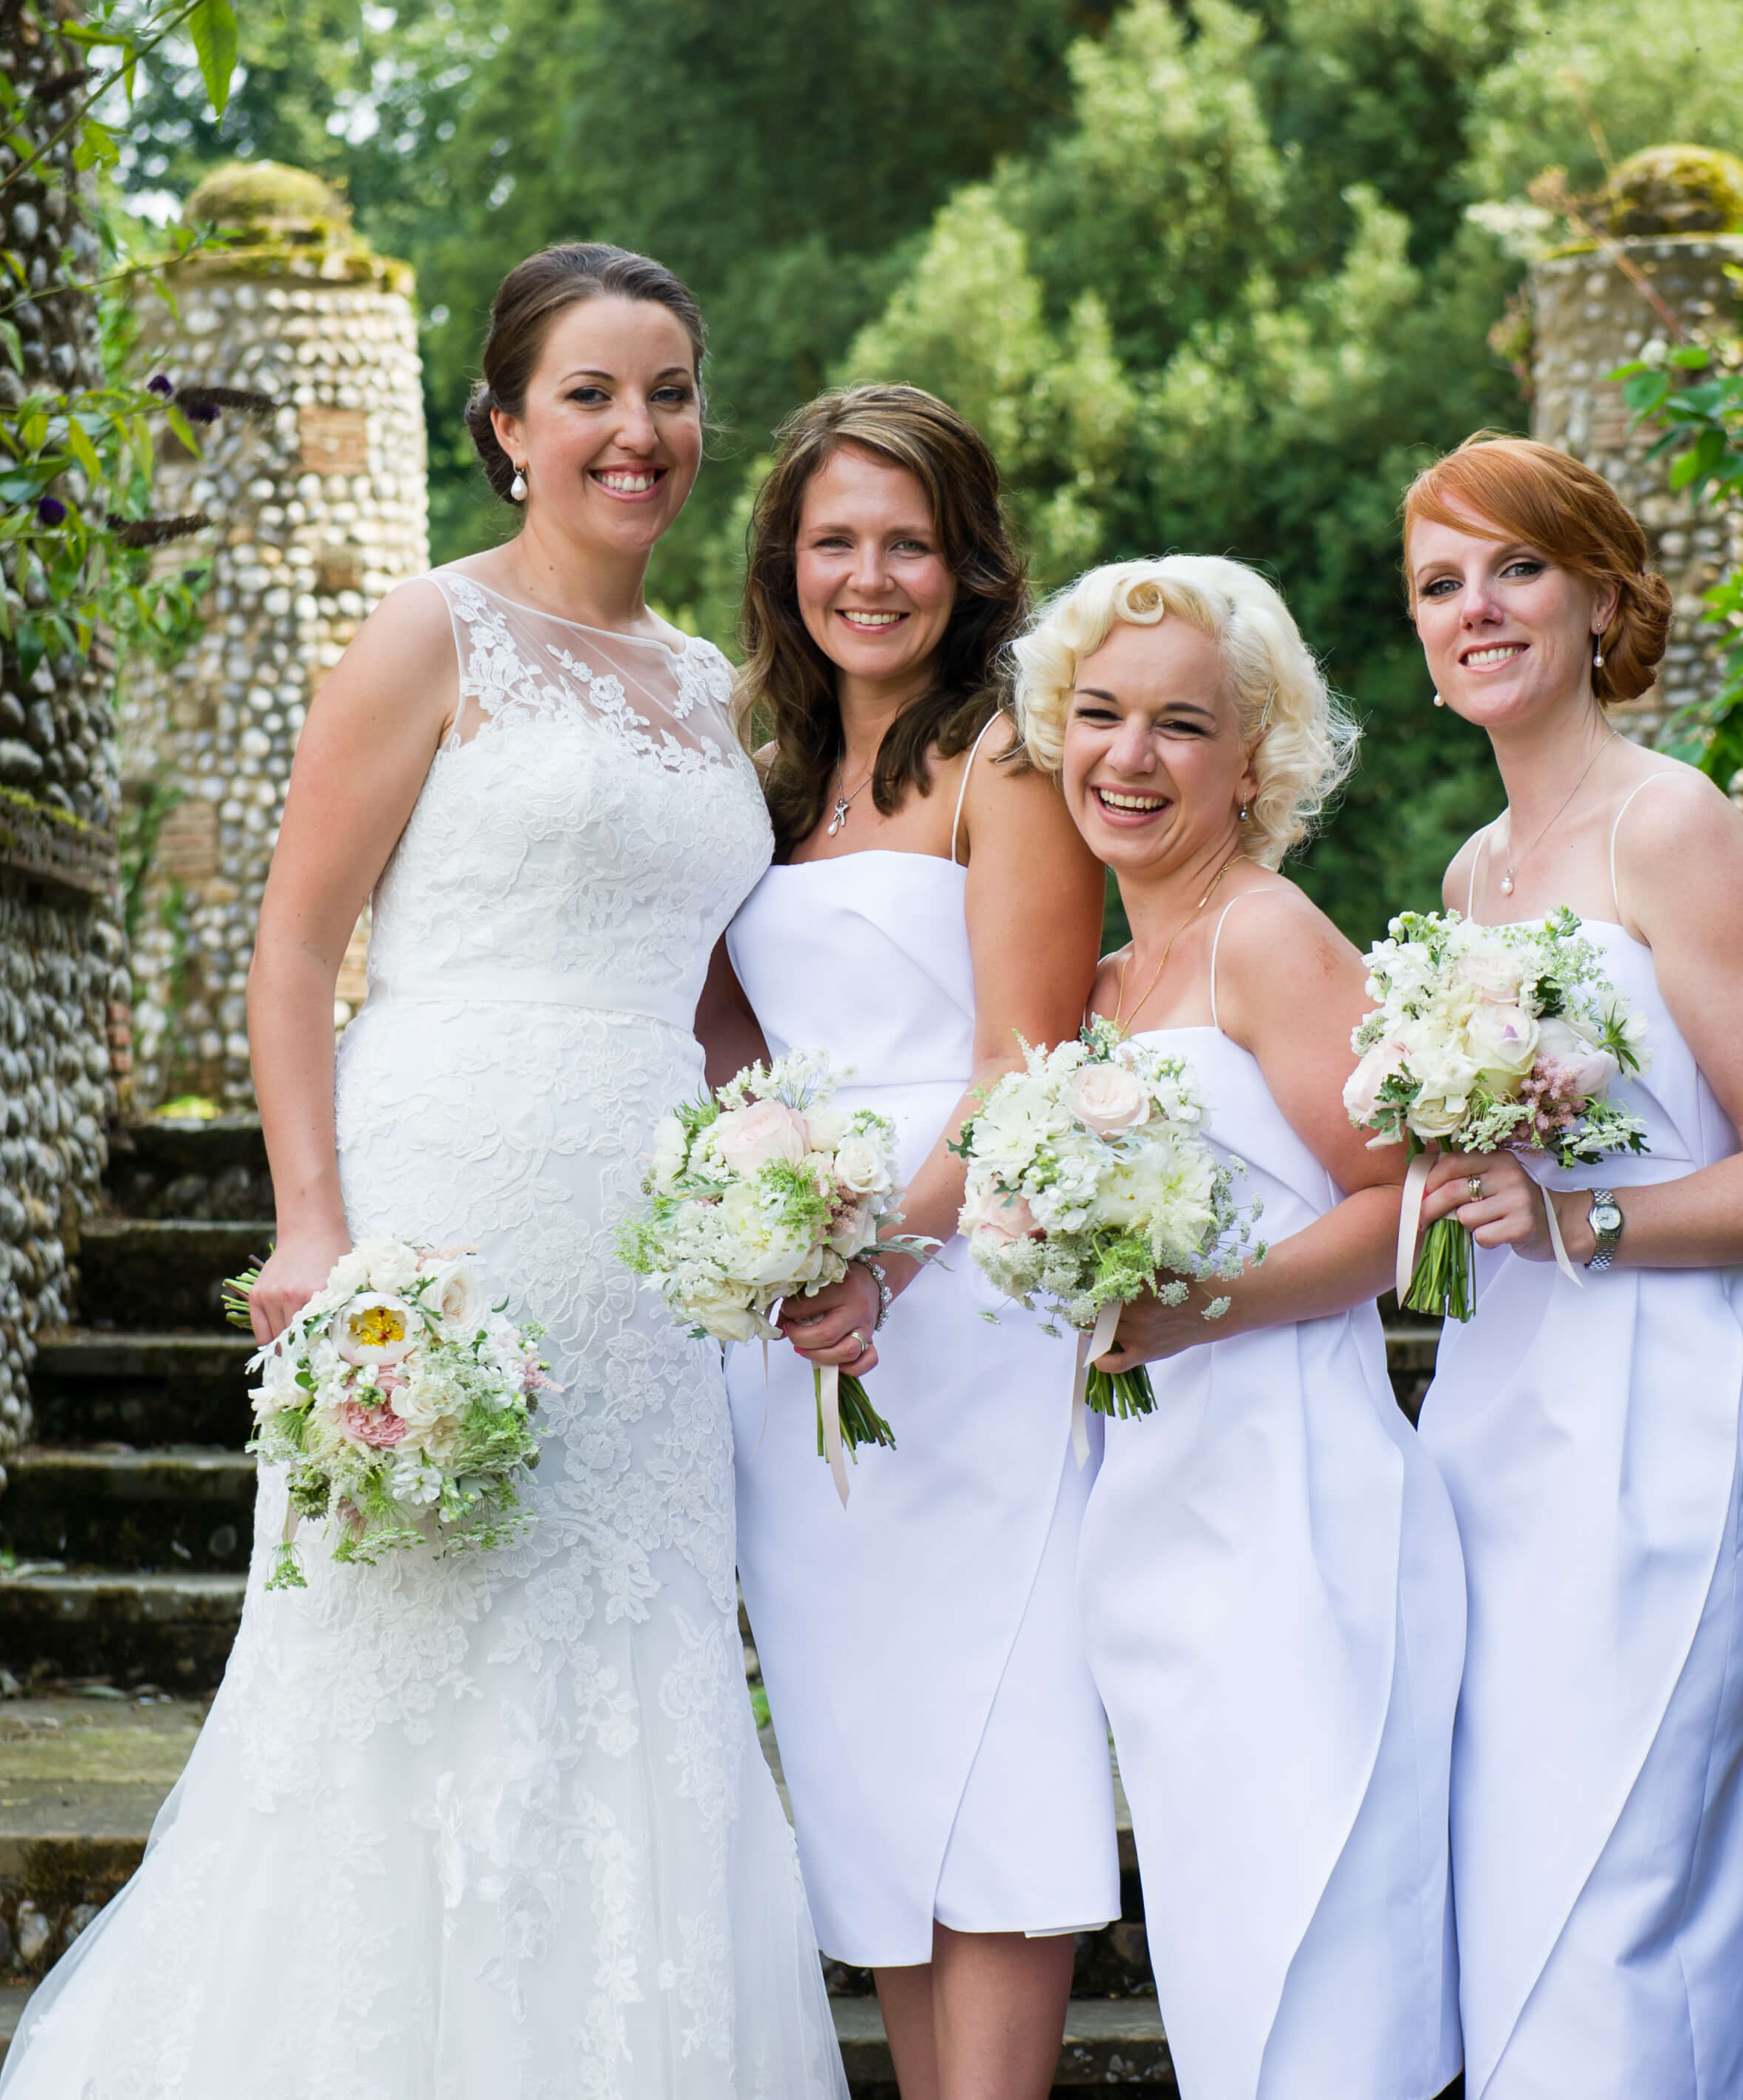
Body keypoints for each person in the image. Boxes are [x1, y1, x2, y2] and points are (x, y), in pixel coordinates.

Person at [0, 244, 847, 2099]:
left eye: (672, 393)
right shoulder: (425, 634)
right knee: (404, 1654)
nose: (642, 432)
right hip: (445, 1196)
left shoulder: (708, 685)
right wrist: (312, 1227)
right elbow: (294, 947)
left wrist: (794, 1179)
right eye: (594, 396)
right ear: (507, 429)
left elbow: (710, 997)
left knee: (633, 1649)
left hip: (647, 1256)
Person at [1400, 435, 1743, 2099]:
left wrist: (1586, 1220)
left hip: (1652, 1404)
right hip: (1496, 1406)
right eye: (1440, 586)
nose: (1478, 610)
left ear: (1601, 593)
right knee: (1507, 1848)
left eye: (1514, 568)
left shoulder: (1675, 828)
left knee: (1622, 1867)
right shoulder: (1472, 875)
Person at [713, 385, 1119, 2100]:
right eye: (835, 542)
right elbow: (728, 1038)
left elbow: (1022, 1058)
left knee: (998, 1724)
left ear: (968, 565)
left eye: (909, 542)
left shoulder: (1003, 754)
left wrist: (882, 1251)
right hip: (794, 1318)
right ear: (784, 561)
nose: (870, 576)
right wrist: (752, 1215)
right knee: (860, 1742)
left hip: (960, 1306)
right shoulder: (760, 772)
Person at [1016, 556, 1464, 2100]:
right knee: (1223, 1960)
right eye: (1098, 715)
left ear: (1254, 759)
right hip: (1150, 1526)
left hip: (1295, 1512)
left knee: (1318, 1952)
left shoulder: (1268, 937)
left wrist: (1199, 1311)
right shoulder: (1097, 989)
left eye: (1180, 726)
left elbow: (1403, 1207)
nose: (1128, 759)